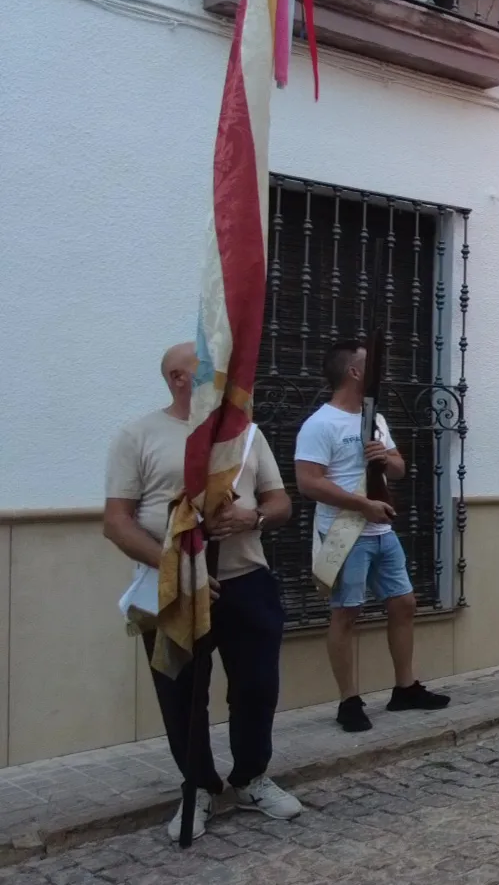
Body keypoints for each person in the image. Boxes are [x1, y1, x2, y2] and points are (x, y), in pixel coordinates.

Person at [105, 343, 304, 839]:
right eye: (206, 373)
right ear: (176, 377)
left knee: (257, 687)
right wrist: (175, 565)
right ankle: (198, 787)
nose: (222, 380)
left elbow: (281, 504)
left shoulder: (247, 434)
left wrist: (253, 516)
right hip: (174, 589)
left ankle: (252, 777)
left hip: (246, 583)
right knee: (181, 695)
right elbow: (117, 523)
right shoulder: (138, 435)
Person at [297, 340, 452, 733]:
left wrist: (384, 458)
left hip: (382, 529)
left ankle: (405, 688)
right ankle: (348, 701)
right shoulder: (320, 424)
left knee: (404, 603)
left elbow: (399, 468)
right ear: (353, 372)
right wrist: (360, 504)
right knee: (346, 614)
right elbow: (308, 482)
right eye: (369, 364)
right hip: (346, 533)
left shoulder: (375, 418)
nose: (379, 370)